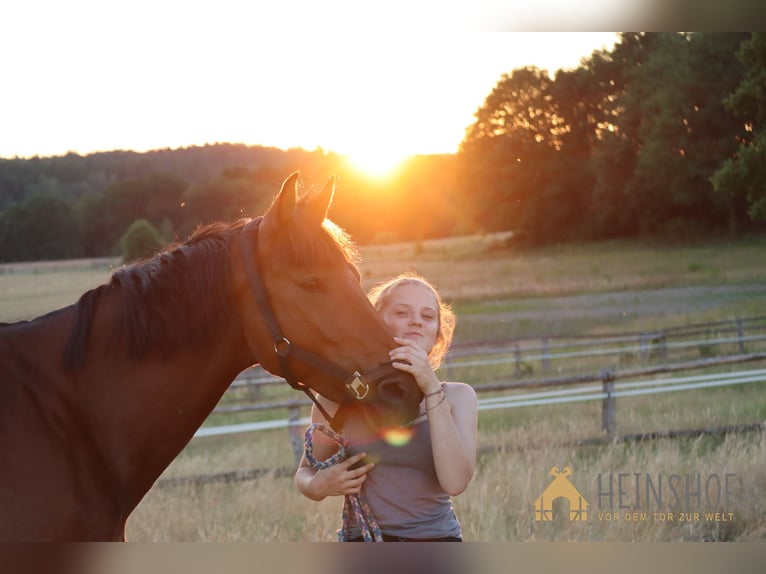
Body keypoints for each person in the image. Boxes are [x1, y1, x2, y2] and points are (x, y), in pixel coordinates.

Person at [295, 272, 478, 542]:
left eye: (428, 316)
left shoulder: (457, 397)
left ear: (437, 333)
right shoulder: (339, 399)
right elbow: (305, 473)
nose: (416, 320)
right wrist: (319, 484)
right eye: (402, 312)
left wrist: (430, 387)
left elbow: (455, 482)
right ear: (375, 321)